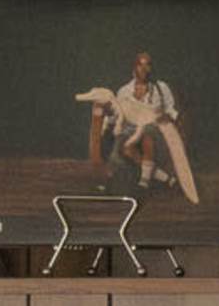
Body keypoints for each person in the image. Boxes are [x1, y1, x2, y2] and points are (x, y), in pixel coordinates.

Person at [76, 49, 201, 206]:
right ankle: (167, 179)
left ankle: (144, 184)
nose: (144, 69)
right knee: (124, 147)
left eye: (147, 65)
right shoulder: (124, 91)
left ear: (151, 68)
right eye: (140, 65)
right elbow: (116, 117)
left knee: (147, 135)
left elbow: (172, 111)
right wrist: (108, 114)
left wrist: (166, 116)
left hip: (157, 130)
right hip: (131, 131)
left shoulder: (161, 88)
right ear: (134, 67)